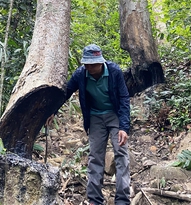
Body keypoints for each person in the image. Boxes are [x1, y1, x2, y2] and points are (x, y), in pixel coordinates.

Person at [47, 44, 130, 205]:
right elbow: (66, 92)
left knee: (121, 155)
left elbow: (124, 98)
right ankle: (94, 199)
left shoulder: (114, 71)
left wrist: (123, 127)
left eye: (94, 64)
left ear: (101, 62)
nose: (90, 67)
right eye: (87, 64)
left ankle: (122, 200)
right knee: (95, 157)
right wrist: (53, 110)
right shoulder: (80, 74)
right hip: (95, 117)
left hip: (115, 115)